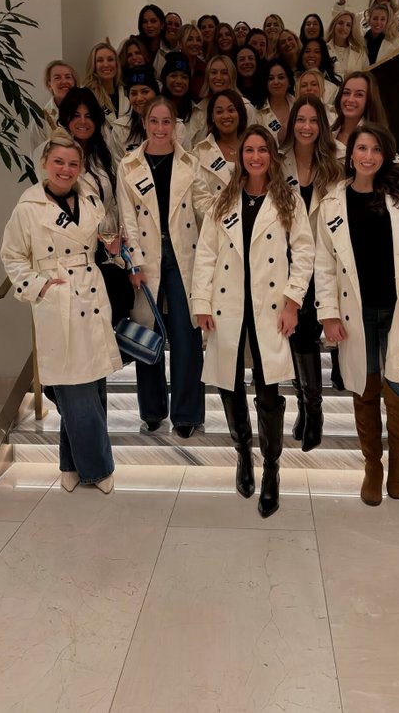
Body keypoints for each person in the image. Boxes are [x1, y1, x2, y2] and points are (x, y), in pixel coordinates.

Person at [315, 123, 399, 506]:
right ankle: (374, 465)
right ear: (350, 153)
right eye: (361, 148)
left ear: (385, 154)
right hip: (357, 314)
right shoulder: (332, 203)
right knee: (365, 388)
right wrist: (328, 314)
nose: (367, 156)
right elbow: (324, 264)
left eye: (375, 149)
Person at [192, 125, 314, 517]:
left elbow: (305, 252)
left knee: (268, 390)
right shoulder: (223, 201)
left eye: (263, 150)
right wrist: (201, 302)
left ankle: (272, 469)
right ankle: (243, 452)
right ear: (240, 157)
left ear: (272, 157)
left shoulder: (288, 200)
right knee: (229, 384)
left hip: (270, 306)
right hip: (228, 306)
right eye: (249, 150)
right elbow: (206, 256)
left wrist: (294, 300)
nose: (256, 156)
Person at [1, 130, 121, 492]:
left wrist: (112, 247)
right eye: (58, 162)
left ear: (80, 167)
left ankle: (70, 463)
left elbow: (101, 240)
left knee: (92, 384)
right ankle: (97, 469)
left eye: (73, 163)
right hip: (58, 300)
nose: (66, 169)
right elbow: (12, 257)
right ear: (44, 164)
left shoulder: (90, 197)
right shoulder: (28, 208)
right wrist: (41, 287)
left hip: (91, 297)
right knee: (76, 392)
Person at [117, 97, 207, 437]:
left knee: (187, 335)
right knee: (146, 335)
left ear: (175, 125)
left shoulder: (189, 162)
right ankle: (153, 411)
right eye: (153, 121)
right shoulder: (128, 165)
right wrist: (133, 262)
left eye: (165, 121)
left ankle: (187, 415)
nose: (159, 128)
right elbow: (127, 217)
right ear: (144, 122)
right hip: (146, 261)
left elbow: (203, 206)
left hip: (185, 256)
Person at [280, 96, 343, 450]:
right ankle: (307, 408)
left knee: (309, 335)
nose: (306, 126)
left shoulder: (337, 162)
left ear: (322, 125)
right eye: (300, 120)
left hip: (328, 262)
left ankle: (313, 410)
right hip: (289, 263)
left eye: (313, 120)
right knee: (296, 337)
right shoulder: (278, 161)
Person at [56, 88, 134, 324]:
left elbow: (115, 199)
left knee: (113, 322)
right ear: (66, 118)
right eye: (76, 115)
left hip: (110, 251)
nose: (82, 122)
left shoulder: (101, 152)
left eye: (88, 116)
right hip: (79, 254)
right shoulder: (59, 156)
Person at [193, 90, 247, 210]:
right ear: (212, 116)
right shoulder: (199, 152)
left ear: (240, 113)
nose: (226, 116)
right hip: (215, 222)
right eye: (219, 111)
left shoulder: (253, 148)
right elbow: (199, 202)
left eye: (231, 110)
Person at [331, 70, 388, 159]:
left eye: (359, 95)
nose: (350, 99)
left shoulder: (378, 139)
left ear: (369, 100)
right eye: (346, 93)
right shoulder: (329, 133)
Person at [109, 67, 159, 166]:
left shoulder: (176, 127)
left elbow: (185, 168)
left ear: (156, 93)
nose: (139, 98)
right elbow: (119, 170)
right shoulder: (120, 129)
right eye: (134, 93)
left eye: (145, 92)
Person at [30, 60, 79, 154]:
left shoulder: (87, 110)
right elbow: (37, 157)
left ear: (74, 82)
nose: (64, 81)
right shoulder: (41, 119)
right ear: (49, 84)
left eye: (68, 77)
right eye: (57, 78)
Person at [84, 41, 130, 130]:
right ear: (93, 65)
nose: (106, 64)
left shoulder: (127, 92)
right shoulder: (87, 95)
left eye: (110, 59)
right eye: (100, 60)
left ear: (117, 63)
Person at [255, 58, 295, 145]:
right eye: (271, 78)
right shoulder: (258, 112)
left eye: (281, 77)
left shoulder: (298, 105)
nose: (276, 82)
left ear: (289, 82)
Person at [325, 11, 368, 79]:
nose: (344, 28)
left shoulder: (360, 52)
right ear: (334, 25)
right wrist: (344, 77)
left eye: (348, 25)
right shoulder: (323, 49)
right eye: (340, 23)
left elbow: (366, 75)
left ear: (352, 29)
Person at [298, 38, 339, 104]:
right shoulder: (293, 82)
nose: (311, 55)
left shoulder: (332, 89)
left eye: (317, 52)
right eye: (307, 51)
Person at [137, 4, 169, 80]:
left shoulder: (168, 52)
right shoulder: (132, 45)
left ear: (162, 24)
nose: (149, 25)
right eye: (145, 22)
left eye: (153, 21)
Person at [178, 23, 206, 102]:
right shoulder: (171, 65)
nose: (195, 43)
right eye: (189, 39)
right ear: (180, 43)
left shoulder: (206, 68)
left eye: (198, 40)